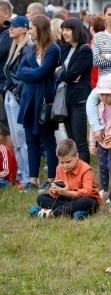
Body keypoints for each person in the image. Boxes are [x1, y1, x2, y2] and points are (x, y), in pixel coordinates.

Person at [16, 14, 61, 192]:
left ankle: (51, 179)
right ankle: (32, 181)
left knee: (48, 141)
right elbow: (20, 72)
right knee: (31, 141)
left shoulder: (53, 49)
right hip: (28, 100)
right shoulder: (31, 48)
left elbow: (41, 73)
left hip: (44, 101)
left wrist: (32, 71)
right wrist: (34, 72)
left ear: (40, 29)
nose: (29, 31)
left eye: (32, 28)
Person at [31, 139, 101, 219]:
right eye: (62, 162)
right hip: (67, 199)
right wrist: (54, 191)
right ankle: (75, 211)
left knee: (84, 202)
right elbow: (56, 189)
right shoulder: (59, 168)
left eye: (68, 162)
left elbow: (87, 192)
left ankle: (53, 213)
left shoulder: (86, 169)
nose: (65, 166)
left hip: (87, 199)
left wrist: (67, 192)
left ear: (77, 156)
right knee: (41, 198)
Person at [56, 18, 93, 164]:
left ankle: (86, 176)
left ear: (76, 30)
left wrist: (62, 73)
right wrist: (60, 73)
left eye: (68, 29)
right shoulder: (65, 48)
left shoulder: (84, 50)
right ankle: (73, 175)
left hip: (78, 99)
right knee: (71, 141)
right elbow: (59, 72)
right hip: (66, 98)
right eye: (63, 29)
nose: (64, 33)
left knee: (80, 142)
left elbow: (71, 74)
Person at [4, 15, 31, 187]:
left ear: (24, 28)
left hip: (17, 97)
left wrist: (15, 92)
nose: (10, 28)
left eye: (14, 26)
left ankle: (27, 177)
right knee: (16, 140)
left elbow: (24, 75)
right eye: (9, 26)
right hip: (10, 95)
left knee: (22, 139)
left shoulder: (27, 48)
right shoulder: (15, 47)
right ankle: (21, 175)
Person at [0, 0, 14, 154]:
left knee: (5, 129)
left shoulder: (8, 34)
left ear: (6, 13)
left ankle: (8, 166)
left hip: (3, 86)